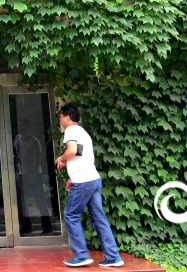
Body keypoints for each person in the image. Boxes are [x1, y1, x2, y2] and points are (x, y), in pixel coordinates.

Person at [56, 104, 124, 268]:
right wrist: (73, 177)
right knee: (99, 218)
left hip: (83, 181)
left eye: (60, 117)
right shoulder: (83, 132)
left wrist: (62, 159)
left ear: (67, 117)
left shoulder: (70, 131)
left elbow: (71, 151)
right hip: (92, 179)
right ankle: (113, 257)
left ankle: (80, 256)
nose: (60, 120)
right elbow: (81, 156)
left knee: (71, 215)